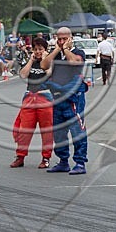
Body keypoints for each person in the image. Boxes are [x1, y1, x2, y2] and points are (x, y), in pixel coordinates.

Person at [40, 27, 88, 175]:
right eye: (58, 39)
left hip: (73, 99)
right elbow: (44, 65)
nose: (61, 42)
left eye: (64, 39)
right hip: (57, 97)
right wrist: (56, 50)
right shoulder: (56, 53)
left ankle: (80, 162)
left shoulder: (78, 52)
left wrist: (66, 49)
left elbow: (75, 63)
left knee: (76, 131)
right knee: (59, 133)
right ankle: (63, 161)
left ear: (70, 38)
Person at [10, 37, 53, 169]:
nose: (38, 52)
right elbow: (23, 75)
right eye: (35, 49)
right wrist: (31, 60)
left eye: (40, 49)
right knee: (24, 130)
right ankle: (20, 156)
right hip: (30, 97)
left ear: (45, 50)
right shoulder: (32, 62)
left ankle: (46, 157)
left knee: (47, 130)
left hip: (44, 97)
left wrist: (45, 59)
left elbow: (49, 73)